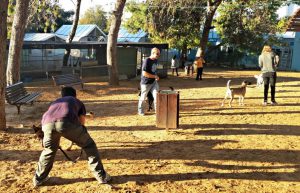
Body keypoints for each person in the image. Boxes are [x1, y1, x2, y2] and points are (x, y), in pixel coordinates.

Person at [33, 87, 110, 187]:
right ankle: (101, 176)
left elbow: (52, 118)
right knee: (89, 145)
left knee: (49, 150)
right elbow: (81, 123)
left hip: (46, 125)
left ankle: (39, 179)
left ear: (62, 95)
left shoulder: (55, 102)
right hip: (65, 123)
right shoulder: (76, 101)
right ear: (74, 95)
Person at [138, 47, 160, 116]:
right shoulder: (147, 60)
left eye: (159, 54)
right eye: (157, 54)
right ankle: (140, 111)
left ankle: (158, 112)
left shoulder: (155, 60)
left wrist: (155, 76)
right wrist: (154, 76)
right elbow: (144, 73)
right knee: (143, 97)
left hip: (153, 82)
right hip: (146, 83)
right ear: (153, 53)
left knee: (157, 96)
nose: (158, 55)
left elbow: (153, 71)